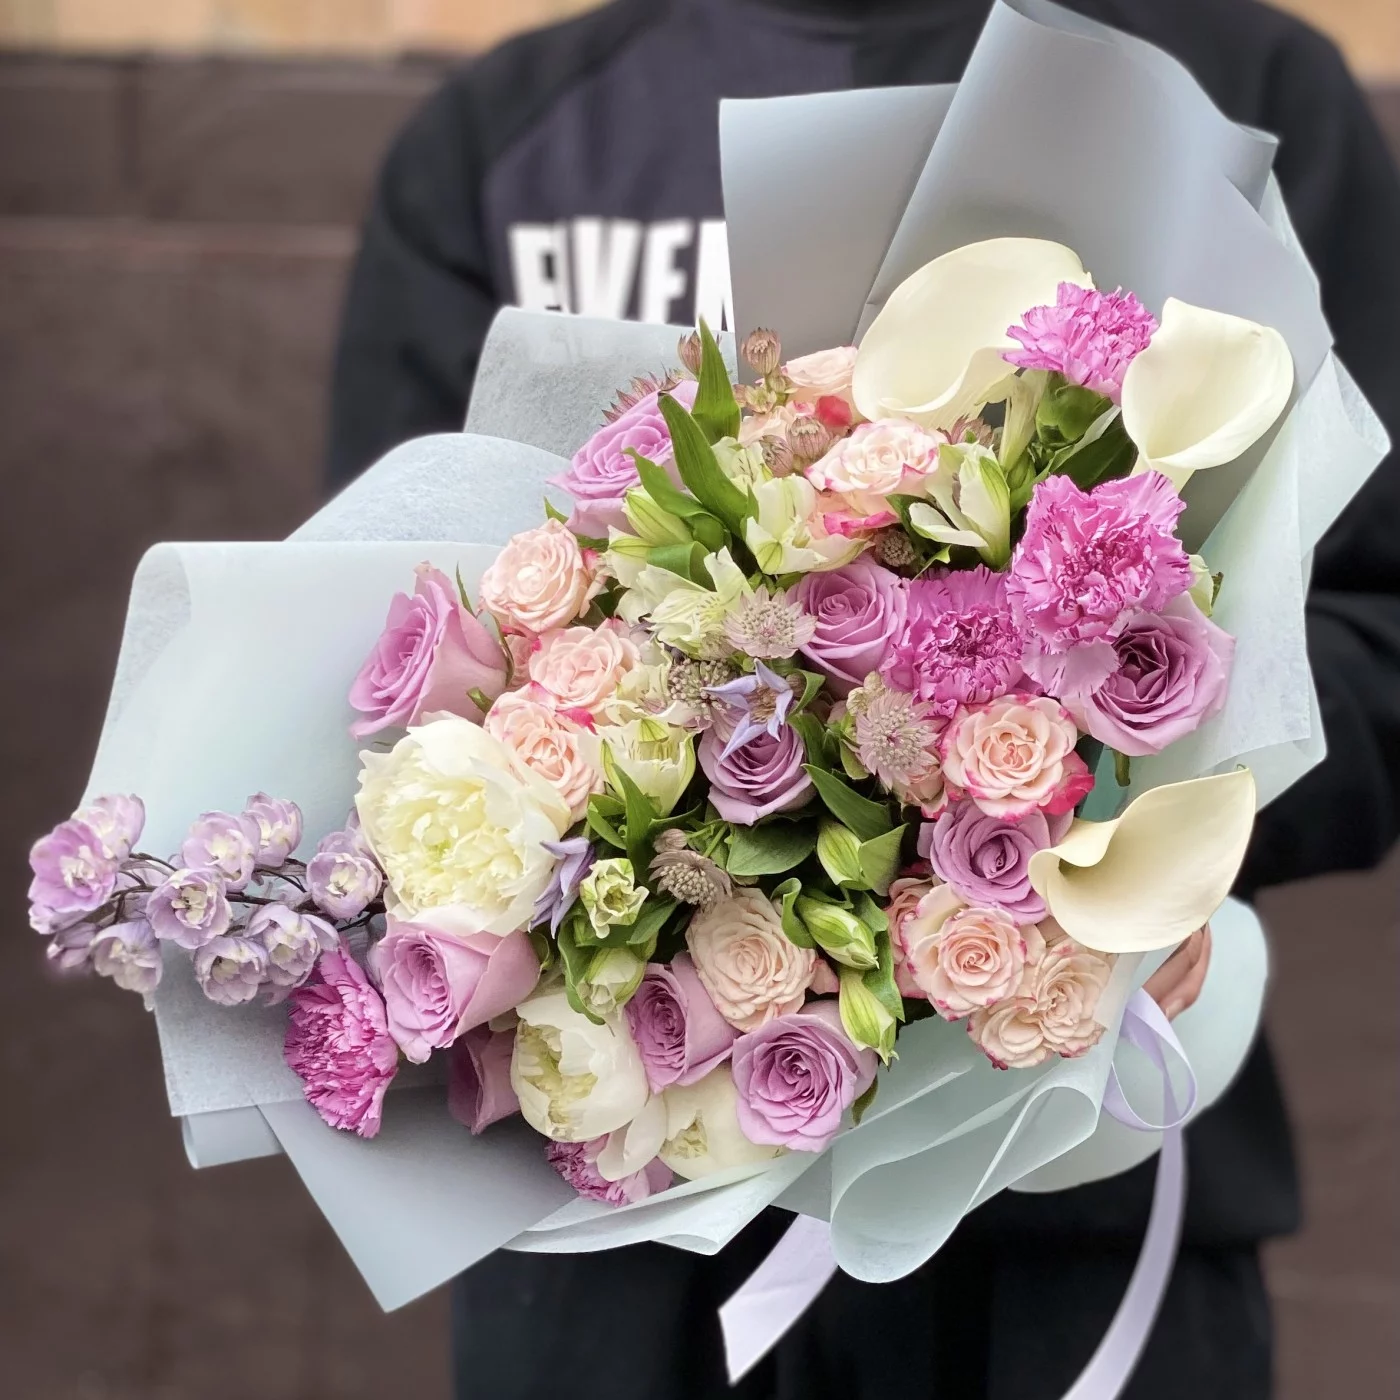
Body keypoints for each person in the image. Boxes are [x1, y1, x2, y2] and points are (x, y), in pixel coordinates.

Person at [326, 2, 1400, 1396]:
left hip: (1072, 1214)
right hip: (608, 1253)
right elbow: (379, 653)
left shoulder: (1239, 93)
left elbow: (1376, 623)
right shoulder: (506, 138)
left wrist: (1101, 819)